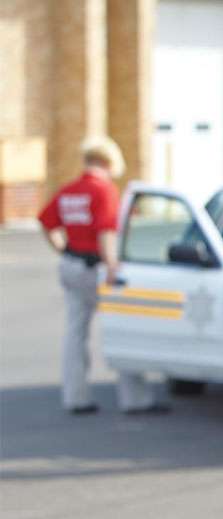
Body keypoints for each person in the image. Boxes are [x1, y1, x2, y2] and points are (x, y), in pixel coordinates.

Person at [38, 137, 169, 415]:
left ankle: (76, 397)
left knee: (75, 333)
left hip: (72, 264)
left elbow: (46, 221)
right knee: (123, 328)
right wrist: (112, 265)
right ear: (109, 163)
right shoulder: (104, 190)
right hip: (97, 268)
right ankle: (134, 398)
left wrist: (63, 249)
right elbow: (106, 232)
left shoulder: (69, 190)